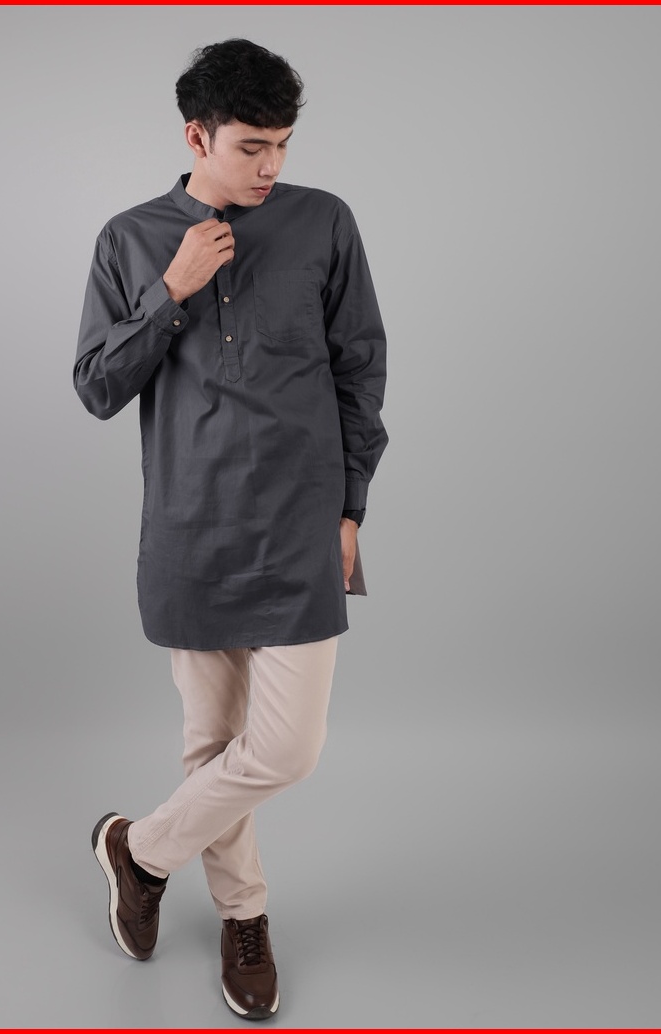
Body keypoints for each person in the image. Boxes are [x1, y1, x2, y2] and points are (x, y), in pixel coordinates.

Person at [73, 38, 387, 1020]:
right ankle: (244, 918)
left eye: (282, 144)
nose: (270, 166)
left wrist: (350, 506)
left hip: (300, 525)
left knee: (286, 748)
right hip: (191, 526)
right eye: (251, 145)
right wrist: (169, 292)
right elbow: (97, 387)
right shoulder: (131, 239)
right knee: (210, 744)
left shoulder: (322, 222)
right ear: (195, 137)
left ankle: (138, 850)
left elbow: (359, 371)